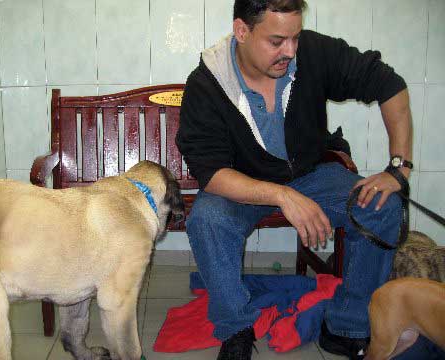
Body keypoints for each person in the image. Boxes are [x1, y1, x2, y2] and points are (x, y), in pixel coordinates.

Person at [176, 0, 413, 359]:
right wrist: (282, 195)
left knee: (384, 205)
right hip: (241, 186)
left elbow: (388, 83)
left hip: (312, 174)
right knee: (207, 220)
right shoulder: (207, 84)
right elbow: (210, 173)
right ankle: (236, 330)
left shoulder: (313, 52)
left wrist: (398, 168)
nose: (290, 51)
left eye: (295, 38)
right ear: (242, 31)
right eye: (276, 41)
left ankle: (347, 327)